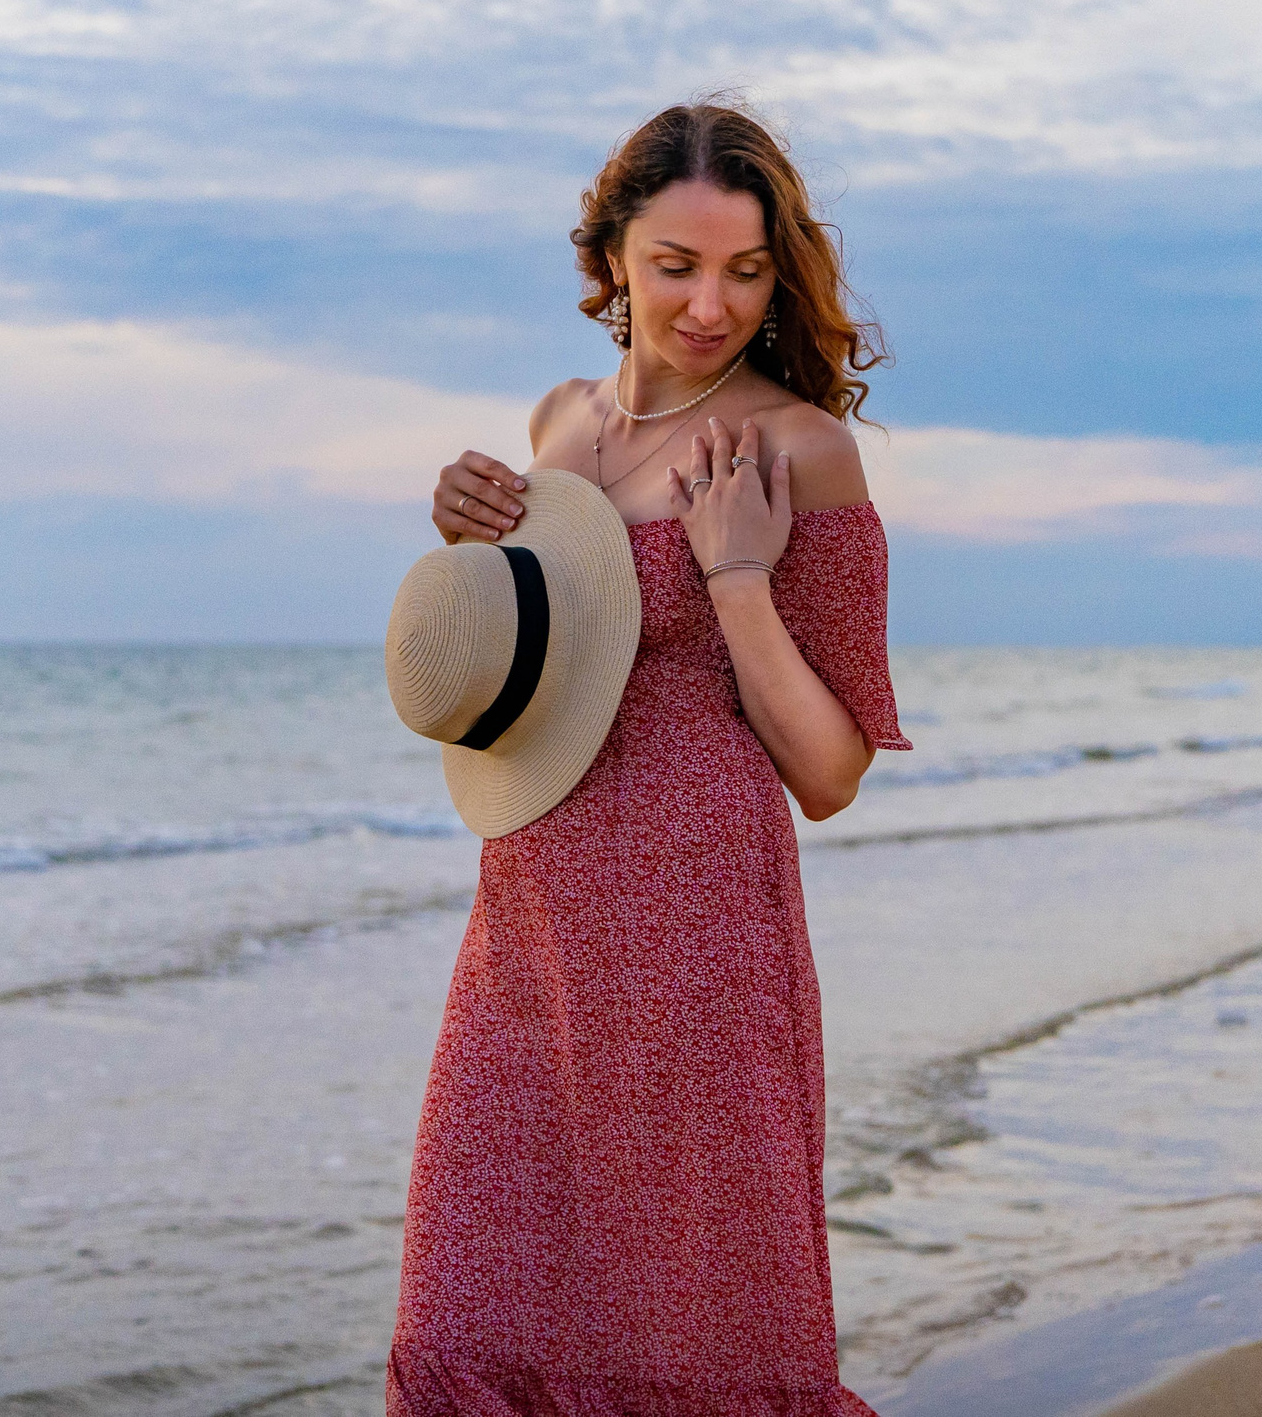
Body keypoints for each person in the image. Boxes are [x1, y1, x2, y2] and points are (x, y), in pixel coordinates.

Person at [387, 99, 911, 1416]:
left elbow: (835, 772)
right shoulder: (558, 421)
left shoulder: (802, 450)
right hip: (529, 938)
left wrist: (738, 579)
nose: (709, 306)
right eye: (676, 265)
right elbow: (522, 659)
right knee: (475, 1304)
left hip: (699, 946)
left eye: (743, 270)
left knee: (697, 1340)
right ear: (611, 258)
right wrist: (467, 538)